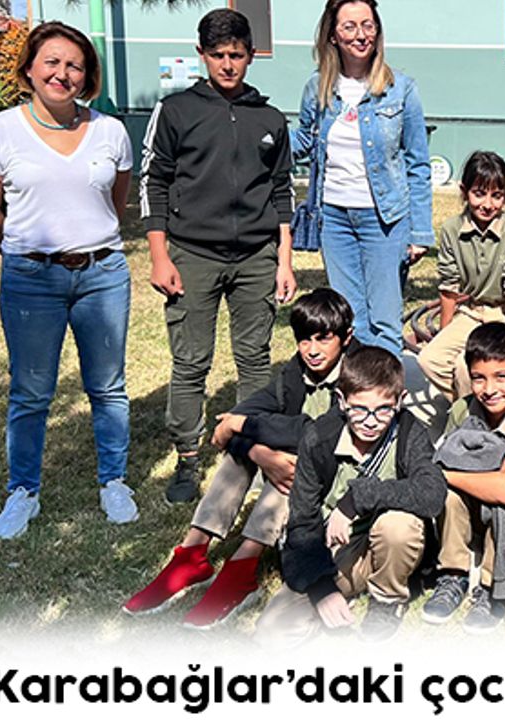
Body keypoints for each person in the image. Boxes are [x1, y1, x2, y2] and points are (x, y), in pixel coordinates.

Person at [0, 21, 138, 539]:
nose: (63, 73)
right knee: (30, 391)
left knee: (108, 387)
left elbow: (116, 203)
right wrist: (26, 253)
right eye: (52, 62)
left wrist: (86, 241)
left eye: (75, 66)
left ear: (87, 76)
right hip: (30, 279)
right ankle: (23, 491)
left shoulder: (111, 132)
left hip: (102, 274)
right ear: (29, 69)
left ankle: (114, 481)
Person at [122, 289, 355, 628]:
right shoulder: (299, 367)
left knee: (288, 461)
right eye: (304, 340)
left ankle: (243, 568)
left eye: (323, 339)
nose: (312, 350)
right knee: (245, 454)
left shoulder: (359, 371)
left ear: (346, 337)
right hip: (299, 462)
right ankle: (192, 553)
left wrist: (244, 429)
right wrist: (256, 450)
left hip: (339, 477)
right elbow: (250, 409)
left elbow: (318, 432)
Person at [141, 8, 296, 504]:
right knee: (191, 361)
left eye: (236, 55)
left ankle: (247, 449)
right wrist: (160, 255)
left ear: (251, 56)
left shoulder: (270, 118)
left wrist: (284, 259)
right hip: (193, 253)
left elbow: (282, 191)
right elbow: (155, 182)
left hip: (256, 255)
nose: (227, 64)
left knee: (254, 359)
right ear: (201, 55)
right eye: (217, 55)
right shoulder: (176, 111)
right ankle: (187, 458)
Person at [256, 346, 446, 645]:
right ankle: (351, 587)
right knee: (273, 631)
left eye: (383, 409)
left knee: (399, 524)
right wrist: (322, 589)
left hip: (390, 544)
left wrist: (356, 499)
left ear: (400, 401)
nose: (370, 421)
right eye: (359, 409)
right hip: (337, 550)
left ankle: (387, 599)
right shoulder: (319, 437)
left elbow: (433, 493)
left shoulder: (410, 432)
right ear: (342, 401)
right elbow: (302, 520)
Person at [292, 0, 432, 355]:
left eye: (368, 25)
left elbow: (418, 163)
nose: (360, 35)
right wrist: (257, 134)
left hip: (384, 219)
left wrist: (419, 232)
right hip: (334, 219)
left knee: (385, 321)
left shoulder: (401, 89)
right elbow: (303, 141)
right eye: (350, 26)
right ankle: (358, 387)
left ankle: (386, 388)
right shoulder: (317, 88)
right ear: (333, 35)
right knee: (350, 318)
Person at [421, 323, 505, 633]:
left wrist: (445, 474)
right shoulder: (462, 409)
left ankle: (491, 586)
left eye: (501, 376)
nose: (489, 389)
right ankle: (453, 574)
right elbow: (446, 455)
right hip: (469, 508)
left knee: (502, 505)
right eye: (478, 378)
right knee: (449, 495)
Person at [417, 151, 505, 399]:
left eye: (497, 196)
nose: (488, 204)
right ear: (465, 191)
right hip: (471, 311)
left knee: (466, 367)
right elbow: (449, 285)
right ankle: (468, 405)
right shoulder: (452, 229)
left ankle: (481, 409)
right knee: (429, 359)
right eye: (479, 194)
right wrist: (445, 331)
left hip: (503, 313)